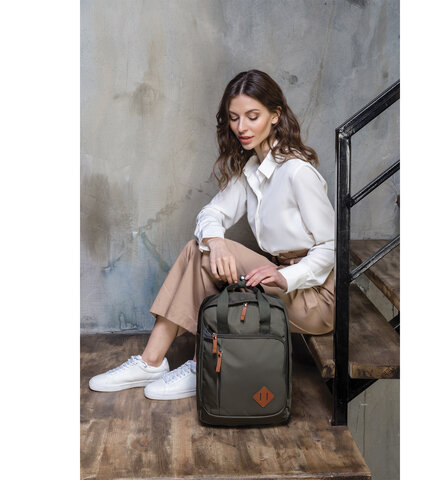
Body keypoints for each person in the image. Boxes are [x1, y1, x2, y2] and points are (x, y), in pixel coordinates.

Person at [89, 69, 335, 400]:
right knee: (204, 248)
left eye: (252, 116)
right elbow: (211, 213)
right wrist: (216, 242)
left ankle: (175, 363)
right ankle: (157, 362)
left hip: (315, 298)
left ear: (275, 116)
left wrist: (286, 276)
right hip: (279, 275)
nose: (242, 127)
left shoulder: (297, 172)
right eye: (234, 118)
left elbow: (331, 247)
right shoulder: (251, 171)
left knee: (199, 253)